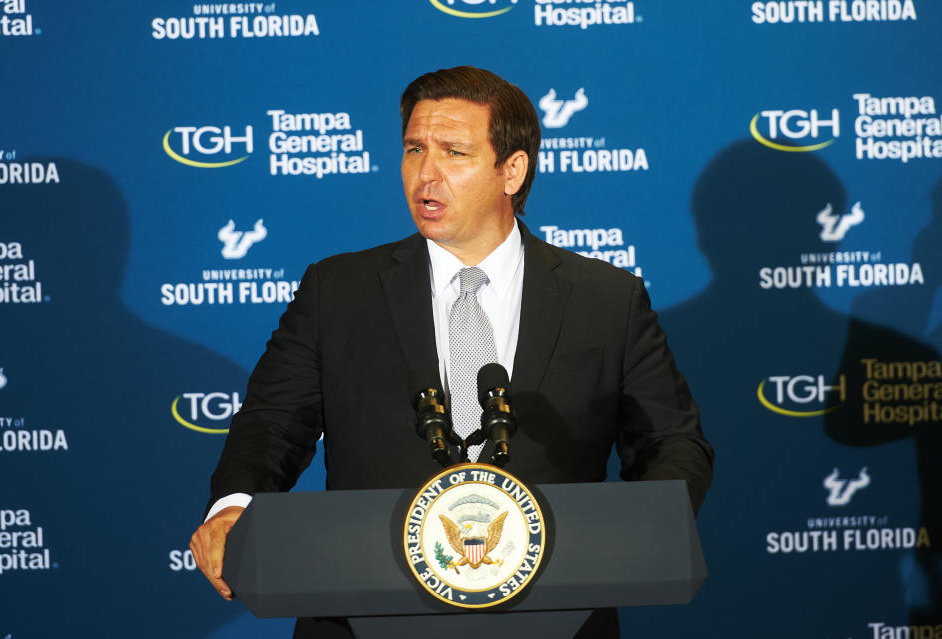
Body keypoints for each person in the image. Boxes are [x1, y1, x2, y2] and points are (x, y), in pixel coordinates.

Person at [191, 66, 714, 637]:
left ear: (512, 170)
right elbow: (271, 422)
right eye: (414, 149)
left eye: (454, 152)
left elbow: (673, 442)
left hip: (555, 611)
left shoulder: (606, 299)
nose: (425, 174)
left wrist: (640, 530)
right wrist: (234, 504)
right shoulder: (337, 290)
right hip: (363, 608)